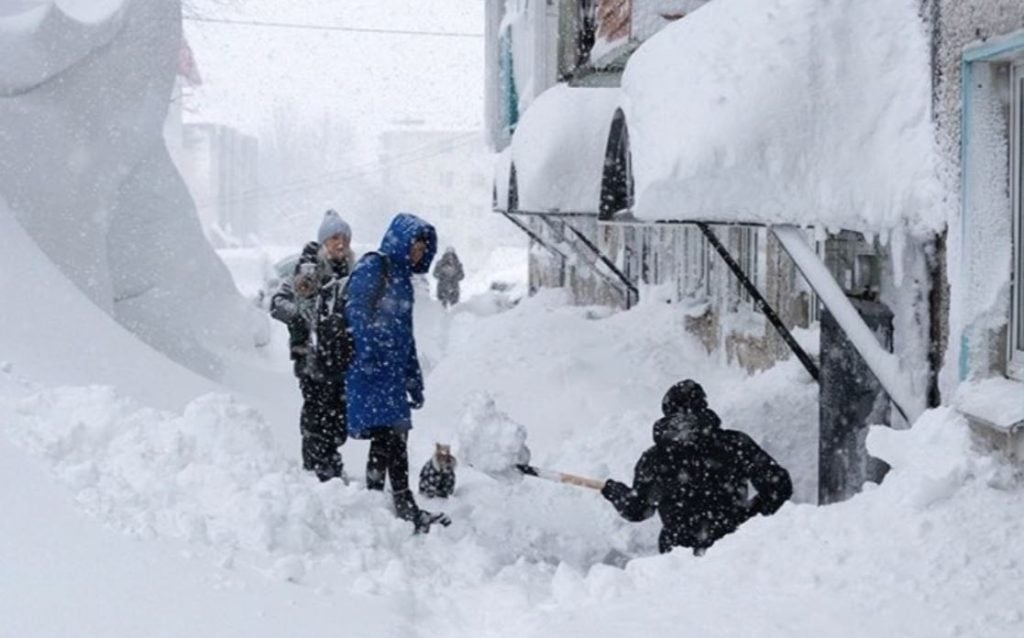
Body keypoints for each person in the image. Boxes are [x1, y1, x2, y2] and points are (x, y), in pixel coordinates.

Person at [345, 213, 451, 533]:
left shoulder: (403, 281)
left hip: (389, 373)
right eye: (414, 245)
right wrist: (369, 353)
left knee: (390, 437)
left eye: (422, 248)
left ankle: (380, 502)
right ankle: (401, 506)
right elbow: (355, 313)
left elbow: (405, 336)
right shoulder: (374, 267)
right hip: (371, 371)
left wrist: (413, 379)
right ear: (400, 241)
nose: (418, 252)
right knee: (392, 436)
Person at [601, 380, 792, 555]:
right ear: (703, 405)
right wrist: (751, 516)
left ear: (667, 411)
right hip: (736, 547)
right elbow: (778, 486)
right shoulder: (734, 443)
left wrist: (615, 492)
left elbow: (637, 509)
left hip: (679, 557)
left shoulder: (654, 458)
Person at [270, 209, 354, 482]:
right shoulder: (308, 269)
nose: (340, 244)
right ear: (323, 242)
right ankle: (316, 466)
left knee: (338, 413)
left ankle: (330, 460)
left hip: (340, 357)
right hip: (310, 356)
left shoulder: (351, 271)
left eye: (344, 238)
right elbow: (278, 303)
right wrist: (302, 318)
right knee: (317, 411)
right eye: (334, 238)